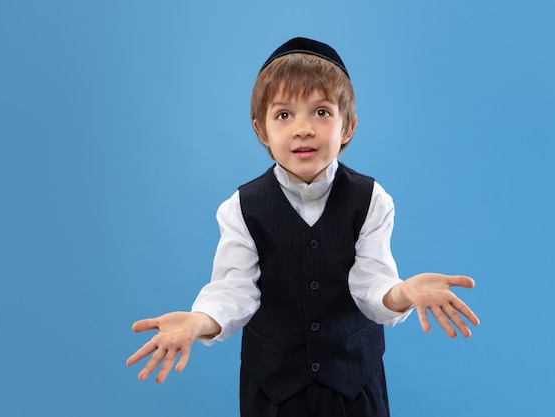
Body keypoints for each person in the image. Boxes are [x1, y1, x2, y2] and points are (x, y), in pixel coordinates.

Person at [126, 37, 479, 417]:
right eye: (284, 115)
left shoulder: (372, 199)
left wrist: (405, 291)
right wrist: (198, 321)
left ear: (348, 128)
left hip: (355, 387)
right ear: (262, 131)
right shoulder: (241, 207)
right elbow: (234, 291)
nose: (303, 128)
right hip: (273, 393)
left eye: (321, 112)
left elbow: (372, 286)